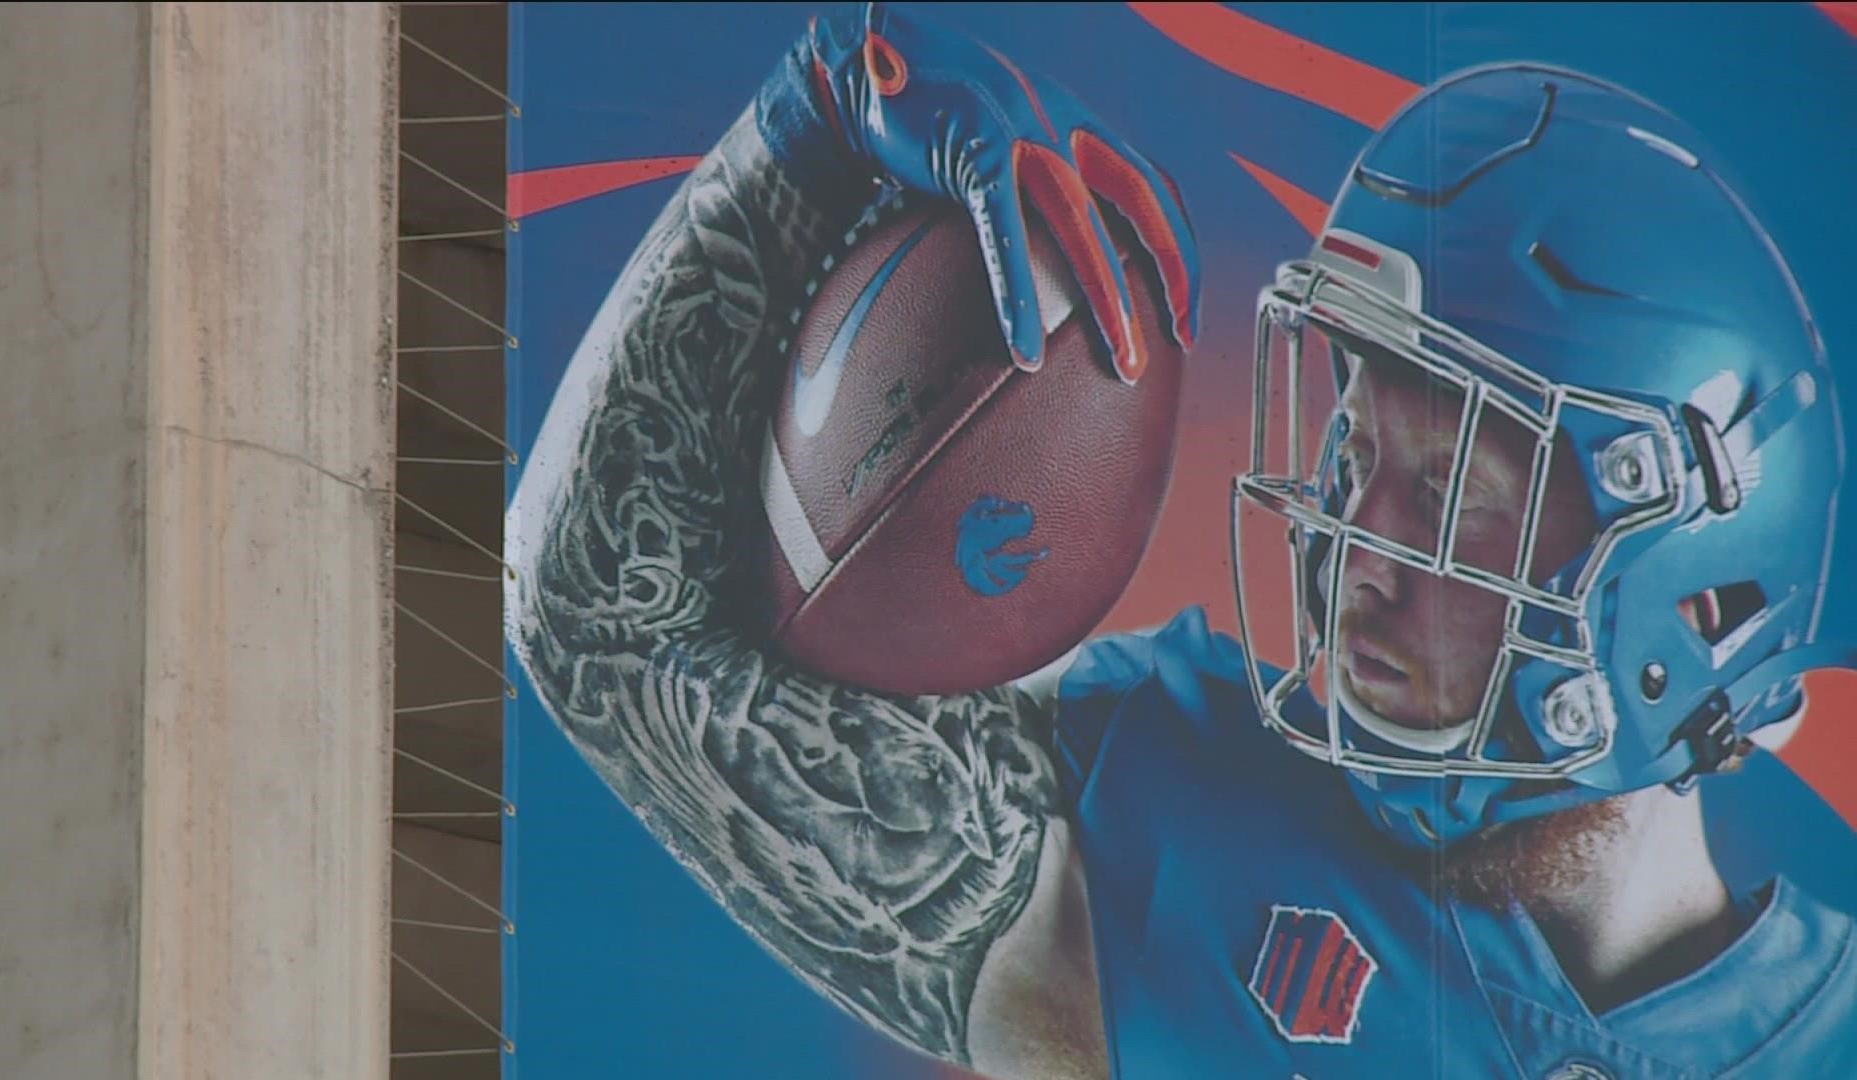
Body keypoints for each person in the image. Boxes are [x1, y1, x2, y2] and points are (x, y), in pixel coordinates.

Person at [506, 5, 1857, 1077]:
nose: (1352, 558)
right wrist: (805, 131)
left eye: (1448, 493)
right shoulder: (1160, 824)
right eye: (1352, 455)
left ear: (1686, 593)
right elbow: (607, 627)